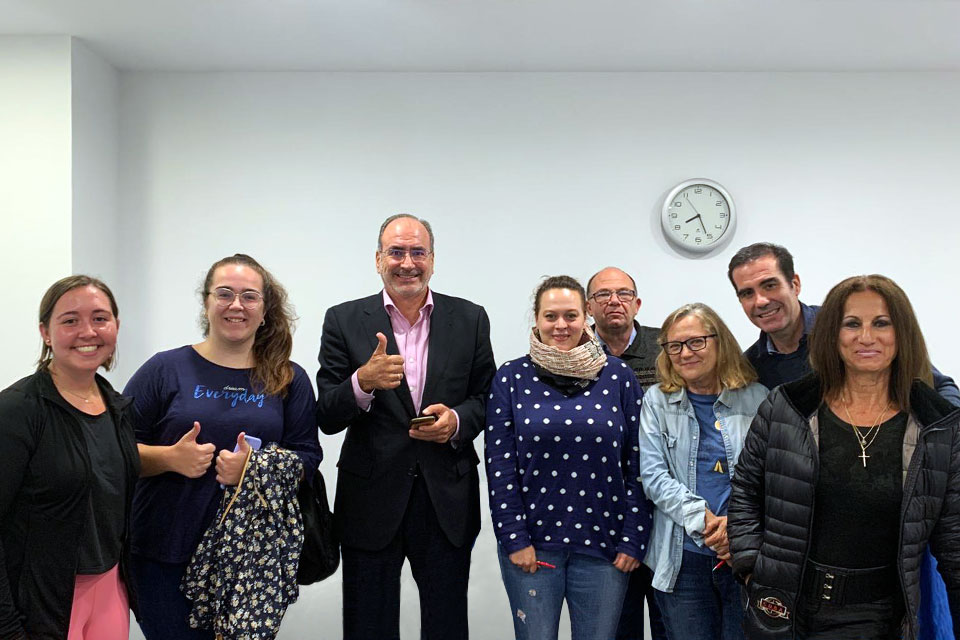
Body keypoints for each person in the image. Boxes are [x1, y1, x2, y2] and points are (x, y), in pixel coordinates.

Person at [727, 242, 960, 640]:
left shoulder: (934, 426)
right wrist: (750, 565)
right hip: (785, 606)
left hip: (879, 611)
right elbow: (746, 489)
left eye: (882, 323)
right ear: (833, 335)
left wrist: (947, 427)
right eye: (852, 325)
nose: (865, 336)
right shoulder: (783, 402)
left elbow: (954, 535)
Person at [316, 214, 496, 640]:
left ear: (432, 260)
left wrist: (455, 421)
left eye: (418, 252)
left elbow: (488, 399)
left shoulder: (470, 318)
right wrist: (362, 382)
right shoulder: (343, 320)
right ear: (378, 259)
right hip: (370, 499)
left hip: (445, 498)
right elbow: (326, 413)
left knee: (446, 623)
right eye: (396, 252)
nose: (407, 262)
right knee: (368, 625)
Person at [125, 254, 321, 640]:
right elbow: (112, 451)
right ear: (206, 303)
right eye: (225, 294)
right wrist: (168, 458)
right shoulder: (164, 369)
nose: (236, 305)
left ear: (265, 311)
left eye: (249, 297)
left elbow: (309, 457)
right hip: (162, 551)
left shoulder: (289, 378)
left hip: (251, 561)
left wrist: (255, 467)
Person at [485, 275, 651, 640]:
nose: (561, 325)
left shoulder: (618, 376)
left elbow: (638, 463)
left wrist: (633, 539)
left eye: (571, 316)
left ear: (586, 317)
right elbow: (500, 467)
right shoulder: (510, 378)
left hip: (605, 546)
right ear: (537, 321)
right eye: (551, 316)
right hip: (533, 545)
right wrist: (514, 537)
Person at [0, 276, 140, 640]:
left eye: (99, 318)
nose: (87, 331)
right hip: (42, 601)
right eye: (70, 321)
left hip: (110, 588)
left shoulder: (117, 407)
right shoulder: (17, 411)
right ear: (46, 332)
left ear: (116, 326)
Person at [638, 303, 766, 640]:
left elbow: (771, 477)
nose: (685, 353)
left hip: (747, 553)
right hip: (683, 559)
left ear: (719, 341)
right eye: (675, 345)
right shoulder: (656, 401)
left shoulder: (758, 399)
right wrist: (706, 522)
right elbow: (653, 477)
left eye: (696, 342)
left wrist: (735, 529)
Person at [585, 266, 666, 640]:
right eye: (603, 295)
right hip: (607, 512)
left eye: (622, 293)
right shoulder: (574, 357)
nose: (613, 301)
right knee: (617, 626)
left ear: (637, 303)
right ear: (589, 306)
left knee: (674, 623)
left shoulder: (668, 346)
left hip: (668, 510)